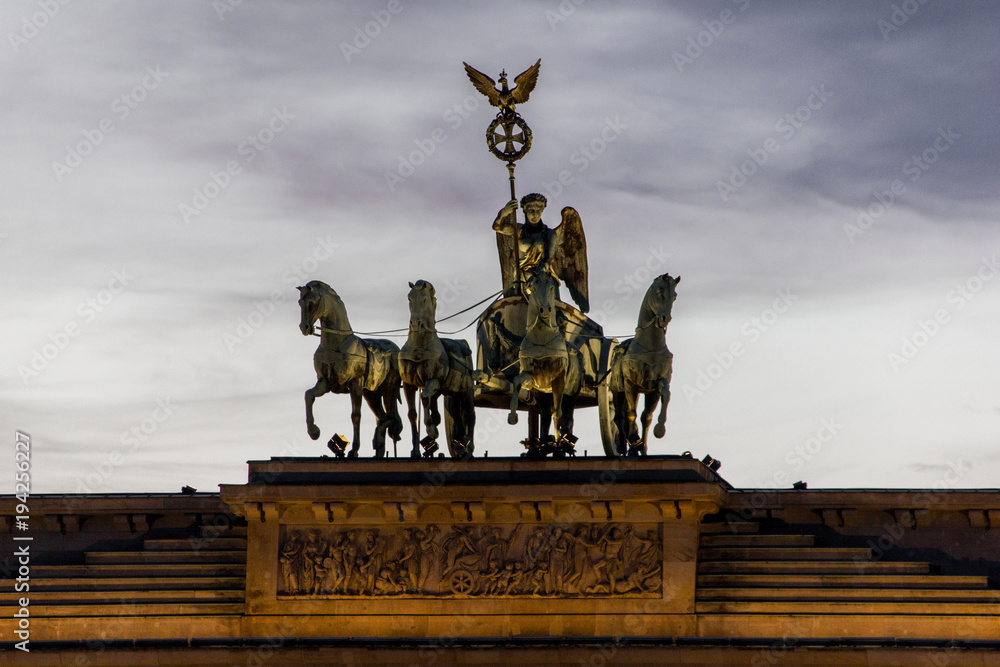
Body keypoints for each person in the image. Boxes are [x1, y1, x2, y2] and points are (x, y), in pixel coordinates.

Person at [492, 193, 590, 312]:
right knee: (519, 309)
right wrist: (505, 212)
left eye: (538, 211)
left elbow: (547, 259)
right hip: (523, 276)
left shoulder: (549, 234)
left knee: (553, 309)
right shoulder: (518, 230)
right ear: (525, 211)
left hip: (544, 276)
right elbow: (497, 227)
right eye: (531, 211)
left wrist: (536, 277)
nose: (535, 215)